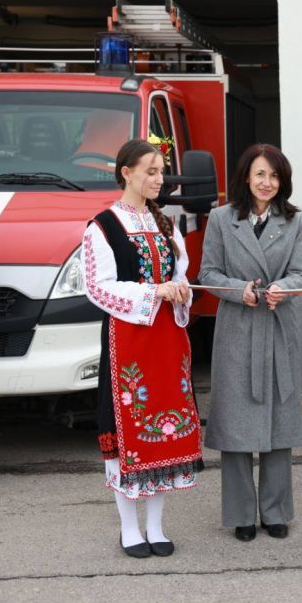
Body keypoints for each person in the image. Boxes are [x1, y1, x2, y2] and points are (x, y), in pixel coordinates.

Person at [82, 139, 201, 558]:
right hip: (128, 341)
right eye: (150, 170)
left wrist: (181, 290)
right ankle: (129, 528)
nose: (158, 178)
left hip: (167, 338)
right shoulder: (103, 225)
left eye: (160, 170)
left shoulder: (165, 224)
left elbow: (181, 273)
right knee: (129, 425)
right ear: (125, 172)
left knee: (163, 430)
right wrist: (154, 292)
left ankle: (156, 525)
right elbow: (97, 287)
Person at [199, 143, 302, 542]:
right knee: (236, 424)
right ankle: (242, 514)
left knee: (279, 425)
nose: (267, 182)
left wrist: (283, 287)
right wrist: (236, 289)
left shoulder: (294, 221)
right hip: (237, 329)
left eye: (275, 176)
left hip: (278, 327)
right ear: (246, 176)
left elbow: (301, 273)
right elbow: (207, 273)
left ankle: (276, 511)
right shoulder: (221, 218)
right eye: (261, 174)